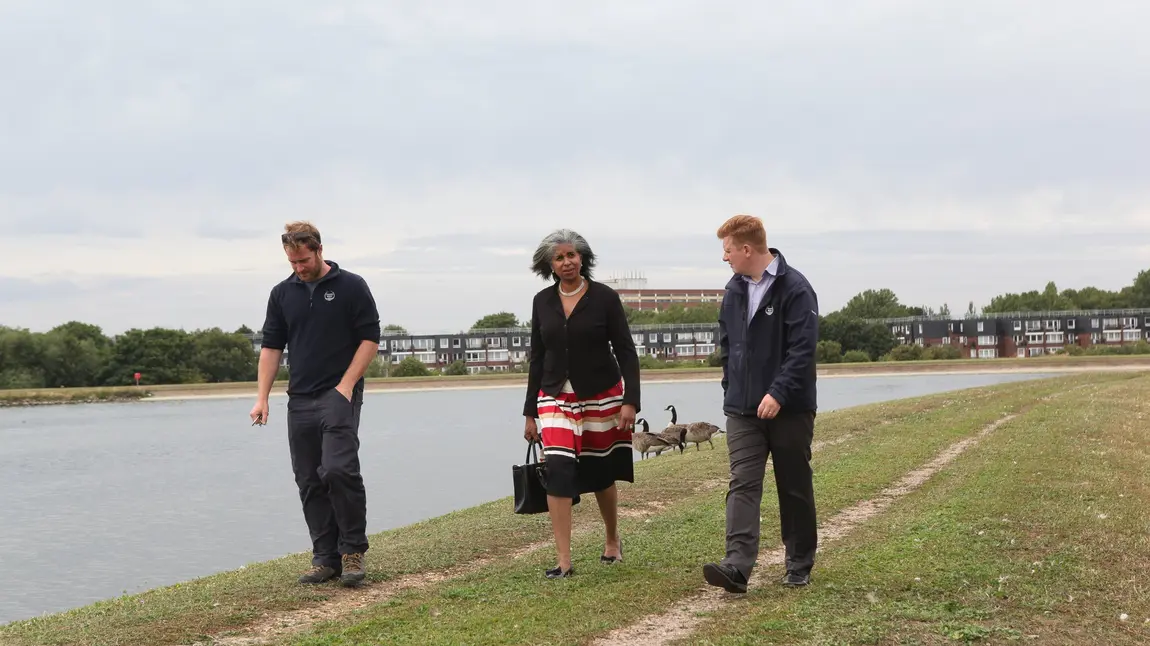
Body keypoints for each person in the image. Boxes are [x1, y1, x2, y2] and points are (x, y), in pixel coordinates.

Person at [249, 220, 382, 588]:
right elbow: (271, 347)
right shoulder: (282, 294)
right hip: (300, 398)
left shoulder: (351, 286)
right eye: (292, 262)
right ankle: (325, 558)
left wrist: (346, 386)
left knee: (339, 470)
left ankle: (352, 551)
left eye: (304, 260)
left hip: (338, 393)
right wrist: (262, 398)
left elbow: (370, 338)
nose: (299, 268)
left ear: (319, 250)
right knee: (308, 478)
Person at [702, 214, 819, 593]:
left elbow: (803, 351)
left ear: (747, 249)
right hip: (742, 411)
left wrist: (778, 393)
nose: (725, 257)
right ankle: (736, 568)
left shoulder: (796, 289)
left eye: (728, 250)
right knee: (743, 483)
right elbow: (727, 346)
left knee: (793, 484)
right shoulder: (733, 291)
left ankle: (799, 563)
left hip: (790, 409)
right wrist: (730, 388)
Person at [522, 228, 641, 579]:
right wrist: (530, 413)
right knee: (558, 470)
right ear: (550, 265)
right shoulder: (541, 301)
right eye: (559, 257)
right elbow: (537, 358)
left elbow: (626, 351)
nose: (566, 262)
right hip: (555, 395)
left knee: (602, 472)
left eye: (571, 255)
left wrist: (631, 401)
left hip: (602, 394)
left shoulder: (605, 297)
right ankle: (564, 560)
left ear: (582, 258)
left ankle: (612, 540)